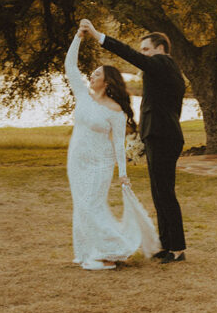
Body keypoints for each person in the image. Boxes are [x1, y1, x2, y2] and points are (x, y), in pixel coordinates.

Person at [79, 19, 187, 264]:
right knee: (159, 192)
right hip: (159, 135)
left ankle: (178, 247)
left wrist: (98, 36)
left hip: (163, 136)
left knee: (165, 193)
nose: (143, 55)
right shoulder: (167, 70)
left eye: (147, 50)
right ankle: (166, 244)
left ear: (160, 49)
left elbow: (128, 54)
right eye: (143, 51)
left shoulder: (162, 63)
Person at [64, 26, 160, 270]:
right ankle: (89, 251)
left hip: (100, 164)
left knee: (90, 206)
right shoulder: (83, 97)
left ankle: (113, 251)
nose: (91, 77)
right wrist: (78, 37)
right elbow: (70, 67)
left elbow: (118, 143)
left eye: (97, 74)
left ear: (107, 82)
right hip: (77, 161)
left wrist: (123, 174)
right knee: (81, 206)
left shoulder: (115, 110)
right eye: (92, 73)